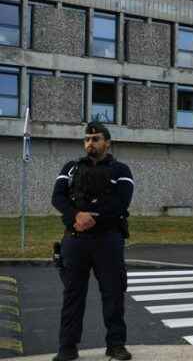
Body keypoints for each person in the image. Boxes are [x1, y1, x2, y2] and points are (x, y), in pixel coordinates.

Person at [50, 122, 134, 361]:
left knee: (114, 294)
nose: (90, 143)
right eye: (87, 139)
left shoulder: (121, 170)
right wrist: (77, 215)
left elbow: (121, 202)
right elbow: (57, 197)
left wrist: (91, 218)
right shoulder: (71, 168)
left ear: (107, 142)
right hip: (75, 240)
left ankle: (116, 345)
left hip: (108, 241)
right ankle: (67, 348)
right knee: (72, 296)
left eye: (96, 139)